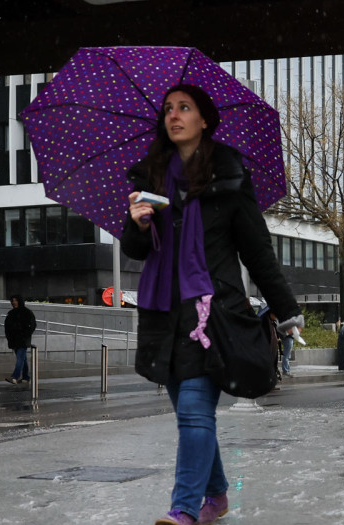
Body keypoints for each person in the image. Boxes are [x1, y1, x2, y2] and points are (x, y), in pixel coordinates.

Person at [121, 84, 303, 525]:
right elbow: (134, 251)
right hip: (164, 312)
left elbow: (256, 248)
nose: (174, 115)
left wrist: (286, 309)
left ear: (205, 119)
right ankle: (217, 496)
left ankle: (183, 508)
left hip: (212, 312)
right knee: (190, 411)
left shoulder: (229, 177)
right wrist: (138, 223)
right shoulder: (152, 181)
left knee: (195, 411)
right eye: (168, 109)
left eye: (184, 108)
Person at [3, 295, 36, 385]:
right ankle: (26, 377)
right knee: (22, 359)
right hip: (14, 339)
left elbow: (32, 325)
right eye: (13, 300)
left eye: (16, 300)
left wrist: (25, 334)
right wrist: (9, 337)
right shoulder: (11, 313)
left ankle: (15, 376)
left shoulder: (27, 313)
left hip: (22, 339)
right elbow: (7, 327)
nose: (14, 302)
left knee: (20, 358)